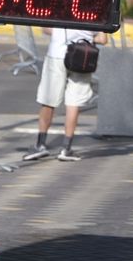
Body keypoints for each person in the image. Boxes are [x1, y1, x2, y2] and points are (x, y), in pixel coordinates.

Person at [22, 27, 108, 162]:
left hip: (56, 54)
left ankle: (40, 145)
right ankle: (66, 149)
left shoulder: (59, 12)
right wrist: (86, 36)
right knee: (74, 102)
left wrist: (61, 34)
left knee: (48, 100)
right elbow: (103, 39)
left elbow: (46, 29)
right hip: (82, 56)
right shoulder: (96, 15)